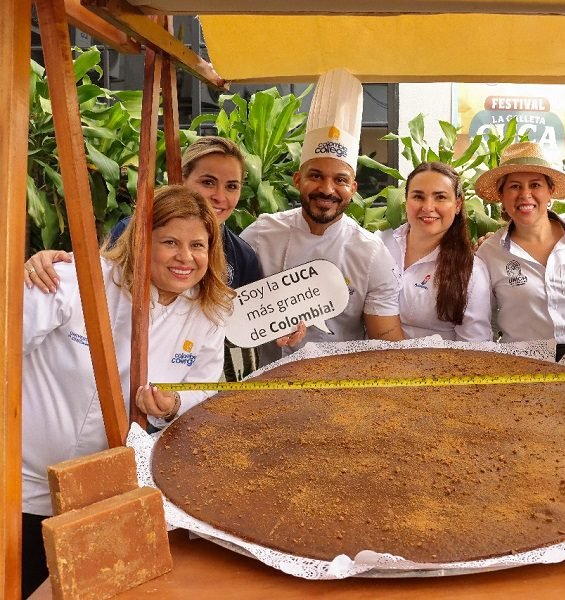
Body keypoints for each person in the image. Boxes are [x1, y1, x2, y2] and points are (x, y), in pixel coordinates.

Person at [20, 186, 235, 597]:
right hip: (23, 484)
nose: (185, 258)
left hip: (107, 493)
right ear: (141, 238)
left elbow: (204, 393)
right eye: (169, 242)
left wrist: (173, 406)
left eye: (198, 245)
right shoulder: (75, 280)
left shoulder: (209, 311)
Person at [21, 136, 291, 377]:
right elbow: (103, 277)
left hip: (173, 381)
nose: (219, 196)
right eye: (208, 182)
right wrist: (45, 265)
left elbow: (255, 316)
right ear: (182, 180)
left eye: (232, 186)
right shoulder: (133, 230)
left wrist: (285, 325)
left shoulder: (241, 255)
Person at [240, 68, 402, 364]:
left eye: (340, 180)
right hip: (268, 385)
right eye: (316, 176)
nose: (327, 189)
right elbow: (220, 304)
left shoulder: (370, 253)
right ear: (298, 179)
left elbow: (386, 343)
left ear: (353, 189)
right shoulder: (261, 234)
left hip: (340, 390)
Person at [474, 142, 565, 360]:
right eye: (514, 186)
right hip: (522, 364)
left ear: (550, 191)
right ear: (501, 195)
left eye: (535, 185)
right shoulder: (489, 253)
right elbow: (485, 324)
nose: (525, 195)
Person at [377, 162, 492, 341]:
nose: (428, 207)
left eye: (440, 197)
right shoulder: (379, 245)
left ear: (458, 205)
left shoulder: (471, 271)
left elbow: (474, 349)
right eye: (418, 196)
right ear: (405, 200)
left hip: (440, 367)